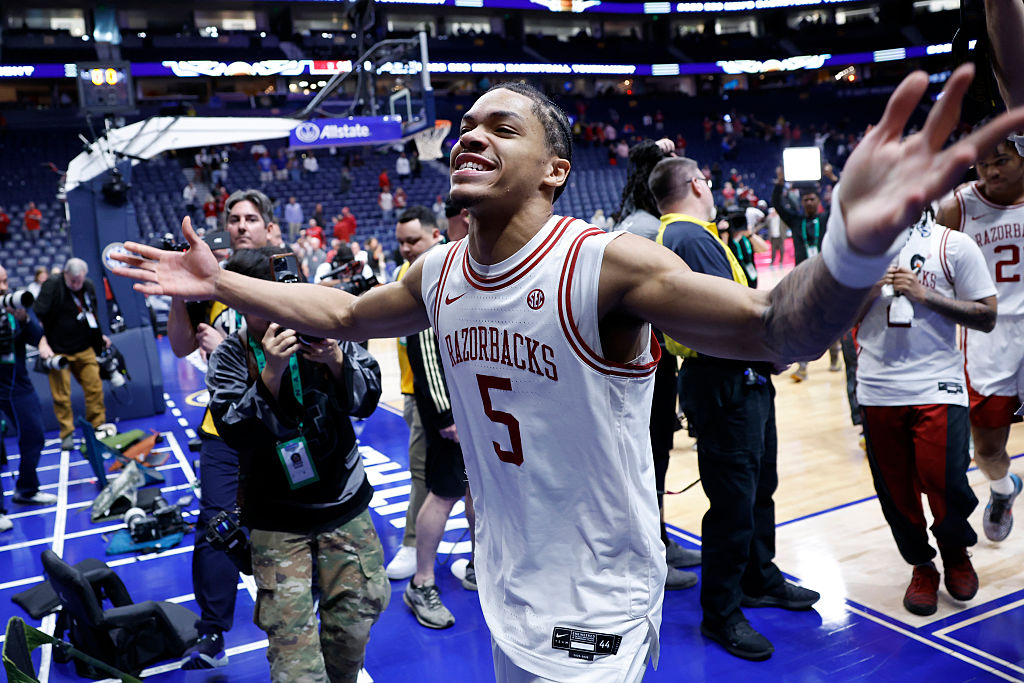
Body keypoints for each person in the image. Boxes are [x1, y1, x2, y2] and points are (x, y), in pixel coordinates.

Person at [114, 69, 1024, 681]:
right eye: (465, 126)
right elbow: (346, 316)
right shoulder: (437, 274)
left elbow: (773, 327)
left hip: (597, 604)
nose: (469, 135)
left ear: (555, 169)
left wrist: (852, 252)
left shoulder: (604, 266)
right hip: (506, 587)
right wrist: (224, 281)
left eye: (499, 127)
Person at [649, 156, 818, 661]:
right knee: (732, 505)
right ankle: (721, 613)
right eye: (707, 179)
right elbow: (725, 319)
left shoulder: (690, 234)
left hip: (735, 380)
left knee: (757, 489)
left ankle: (759, 578)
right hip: (724, 382)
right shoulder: (690, 238)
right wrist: (774, 352)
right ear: (698, 183)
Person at [206, 246, 388, 683]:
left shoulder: (327, 332)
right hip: (277, 521)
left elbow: (368, 398)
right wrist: (270, 371)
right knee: (295, 664)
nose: (276, 313)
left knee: (353, 631)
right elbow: (232, 428)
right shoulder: (232, 354)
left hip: (343, 508)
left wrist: (334, 359)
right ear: (242, 301)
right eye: (260, 302)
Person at [856, 210, 996, 616]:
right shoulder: (859, 250)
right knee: (896, 491)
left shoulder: (953, 244)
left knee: (946, 480)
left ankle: (955, 552)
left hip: (939, 382)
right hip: (878, 387)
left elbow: (986, 316)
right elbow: (830, 321)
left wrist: (924, 295)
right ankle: (921, 564)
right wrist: (866, 290)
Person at [167, 189, 282, 670]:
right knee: (214, 525)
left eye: (250, 219)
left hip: (277, 428)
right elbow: (177, 345)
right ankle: (213, 633)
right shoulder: (207, 282)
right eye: (233, 218)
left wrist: (223, 351)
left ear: (268, 228)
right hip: (222, 428)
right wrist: (178, 288)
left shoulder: (282, 278)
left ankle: (292, 608)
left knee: (282, 524)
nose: (239, 226)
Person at [931, 0, 1024, 542]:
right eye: (981, 162)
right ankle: (1003, 489)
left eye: (1000, 161)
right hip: (987, 335)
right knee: (986, 448)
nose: (988, 170)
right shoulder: (959, 204)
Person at [615, 137, 701, 592]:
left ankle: (662, 539)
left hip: (653, 361)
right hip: (645, 363)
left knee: (657, 457)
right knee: (646, 461)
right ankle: (650, 554)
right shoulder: (650, 229)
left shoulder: (639, 220)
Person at [390, 207, 478, 628]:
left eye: (413, 241)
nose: (406, 249)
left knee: (479, 494)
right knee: (441, 494)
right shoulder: (427, 280)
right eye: (402, 242)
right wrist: (446, 416)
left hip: (476, 412)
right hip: (449, 416)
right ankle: (421, 581)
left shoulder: (453, 267)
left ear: (434, 235)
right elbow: (427, 356)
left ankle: (481, 565)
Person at [771, 165, 840, 380]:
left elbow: (841, 201)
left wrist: (833, 178)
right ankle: (802, 367)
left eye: (812, 199)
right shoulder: (796, 221)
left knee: (830, 320)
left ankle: (835, 357)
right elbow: (778, 205)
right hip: (802, 279)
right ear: (801, 202)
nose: (809, 202)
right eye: (805, 200)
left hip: (825, 278)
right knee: (802, 322)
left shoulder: (826, 220)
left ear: (818, 202)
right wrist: (780, 182)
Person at [33, 258, 110, 451]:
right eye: (73, 280)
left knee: (94, 388)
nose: (76, 285)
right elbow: (38, 313)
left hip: (84, 348)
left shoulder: (88, 286)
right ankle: (66, 433)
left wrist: (99, 337)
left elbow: (93, 314)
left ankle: (97, 427)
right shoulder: (52, 285)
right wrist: (42, 341)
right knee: (61, 396)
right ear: (65, 274)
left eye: (79, 281)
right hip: (58, 351)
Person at [0, 264, 55, 516]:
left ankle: (27, 490)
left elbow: (36, 336)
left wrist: (23, 319)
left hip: (18, 384)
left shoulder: (15, 308)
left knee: (35, 435)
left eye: (5, 281)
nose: (4, 288)